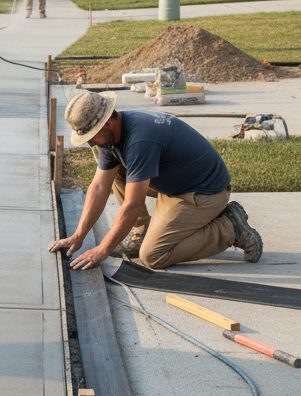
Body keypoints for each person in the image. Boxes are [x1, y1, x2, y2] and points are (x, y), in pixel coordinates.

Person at [48, 91, 263, 270]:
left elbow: (132, 205)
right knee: (116, 173)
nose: (91, 144)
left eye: (91, 137)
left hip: (204, 193)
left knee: (153, 256)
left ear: (106, 124)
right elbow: (98, 187)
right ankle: (140, 232)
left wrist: (102, 249)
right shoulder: (112, 137)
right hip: (176, 184)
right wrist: (79, 236)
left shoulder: (140, 139)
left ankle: (229, 228)